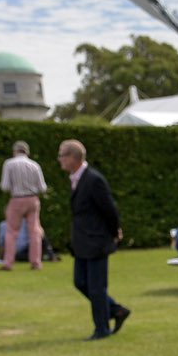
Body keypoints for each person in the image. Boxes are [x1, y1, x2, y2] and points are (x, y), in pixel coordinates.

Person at [57, 139, 128, 340]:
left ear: (73, 157)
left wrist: (114, 231)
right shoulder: (76, 179)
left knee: (96, 288)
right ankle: (116, 310)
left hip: (96, 241)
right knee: (80, 282)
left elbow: (109, 209)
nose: (59, 159)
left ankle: (102, 329)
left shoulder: (93, 179)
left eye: (62, 155)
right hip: (82, 242)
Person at [0, 139, 46, 270]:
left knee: (11, 231)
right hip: (33, 200)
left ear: (15, 151)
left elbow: (5, 186)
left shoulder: (9, 163)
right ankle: (36, 262)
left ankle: (8, 262)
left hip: (17, 199)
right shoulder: (34, 165)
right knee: (35, 231)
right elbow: (42, 187)